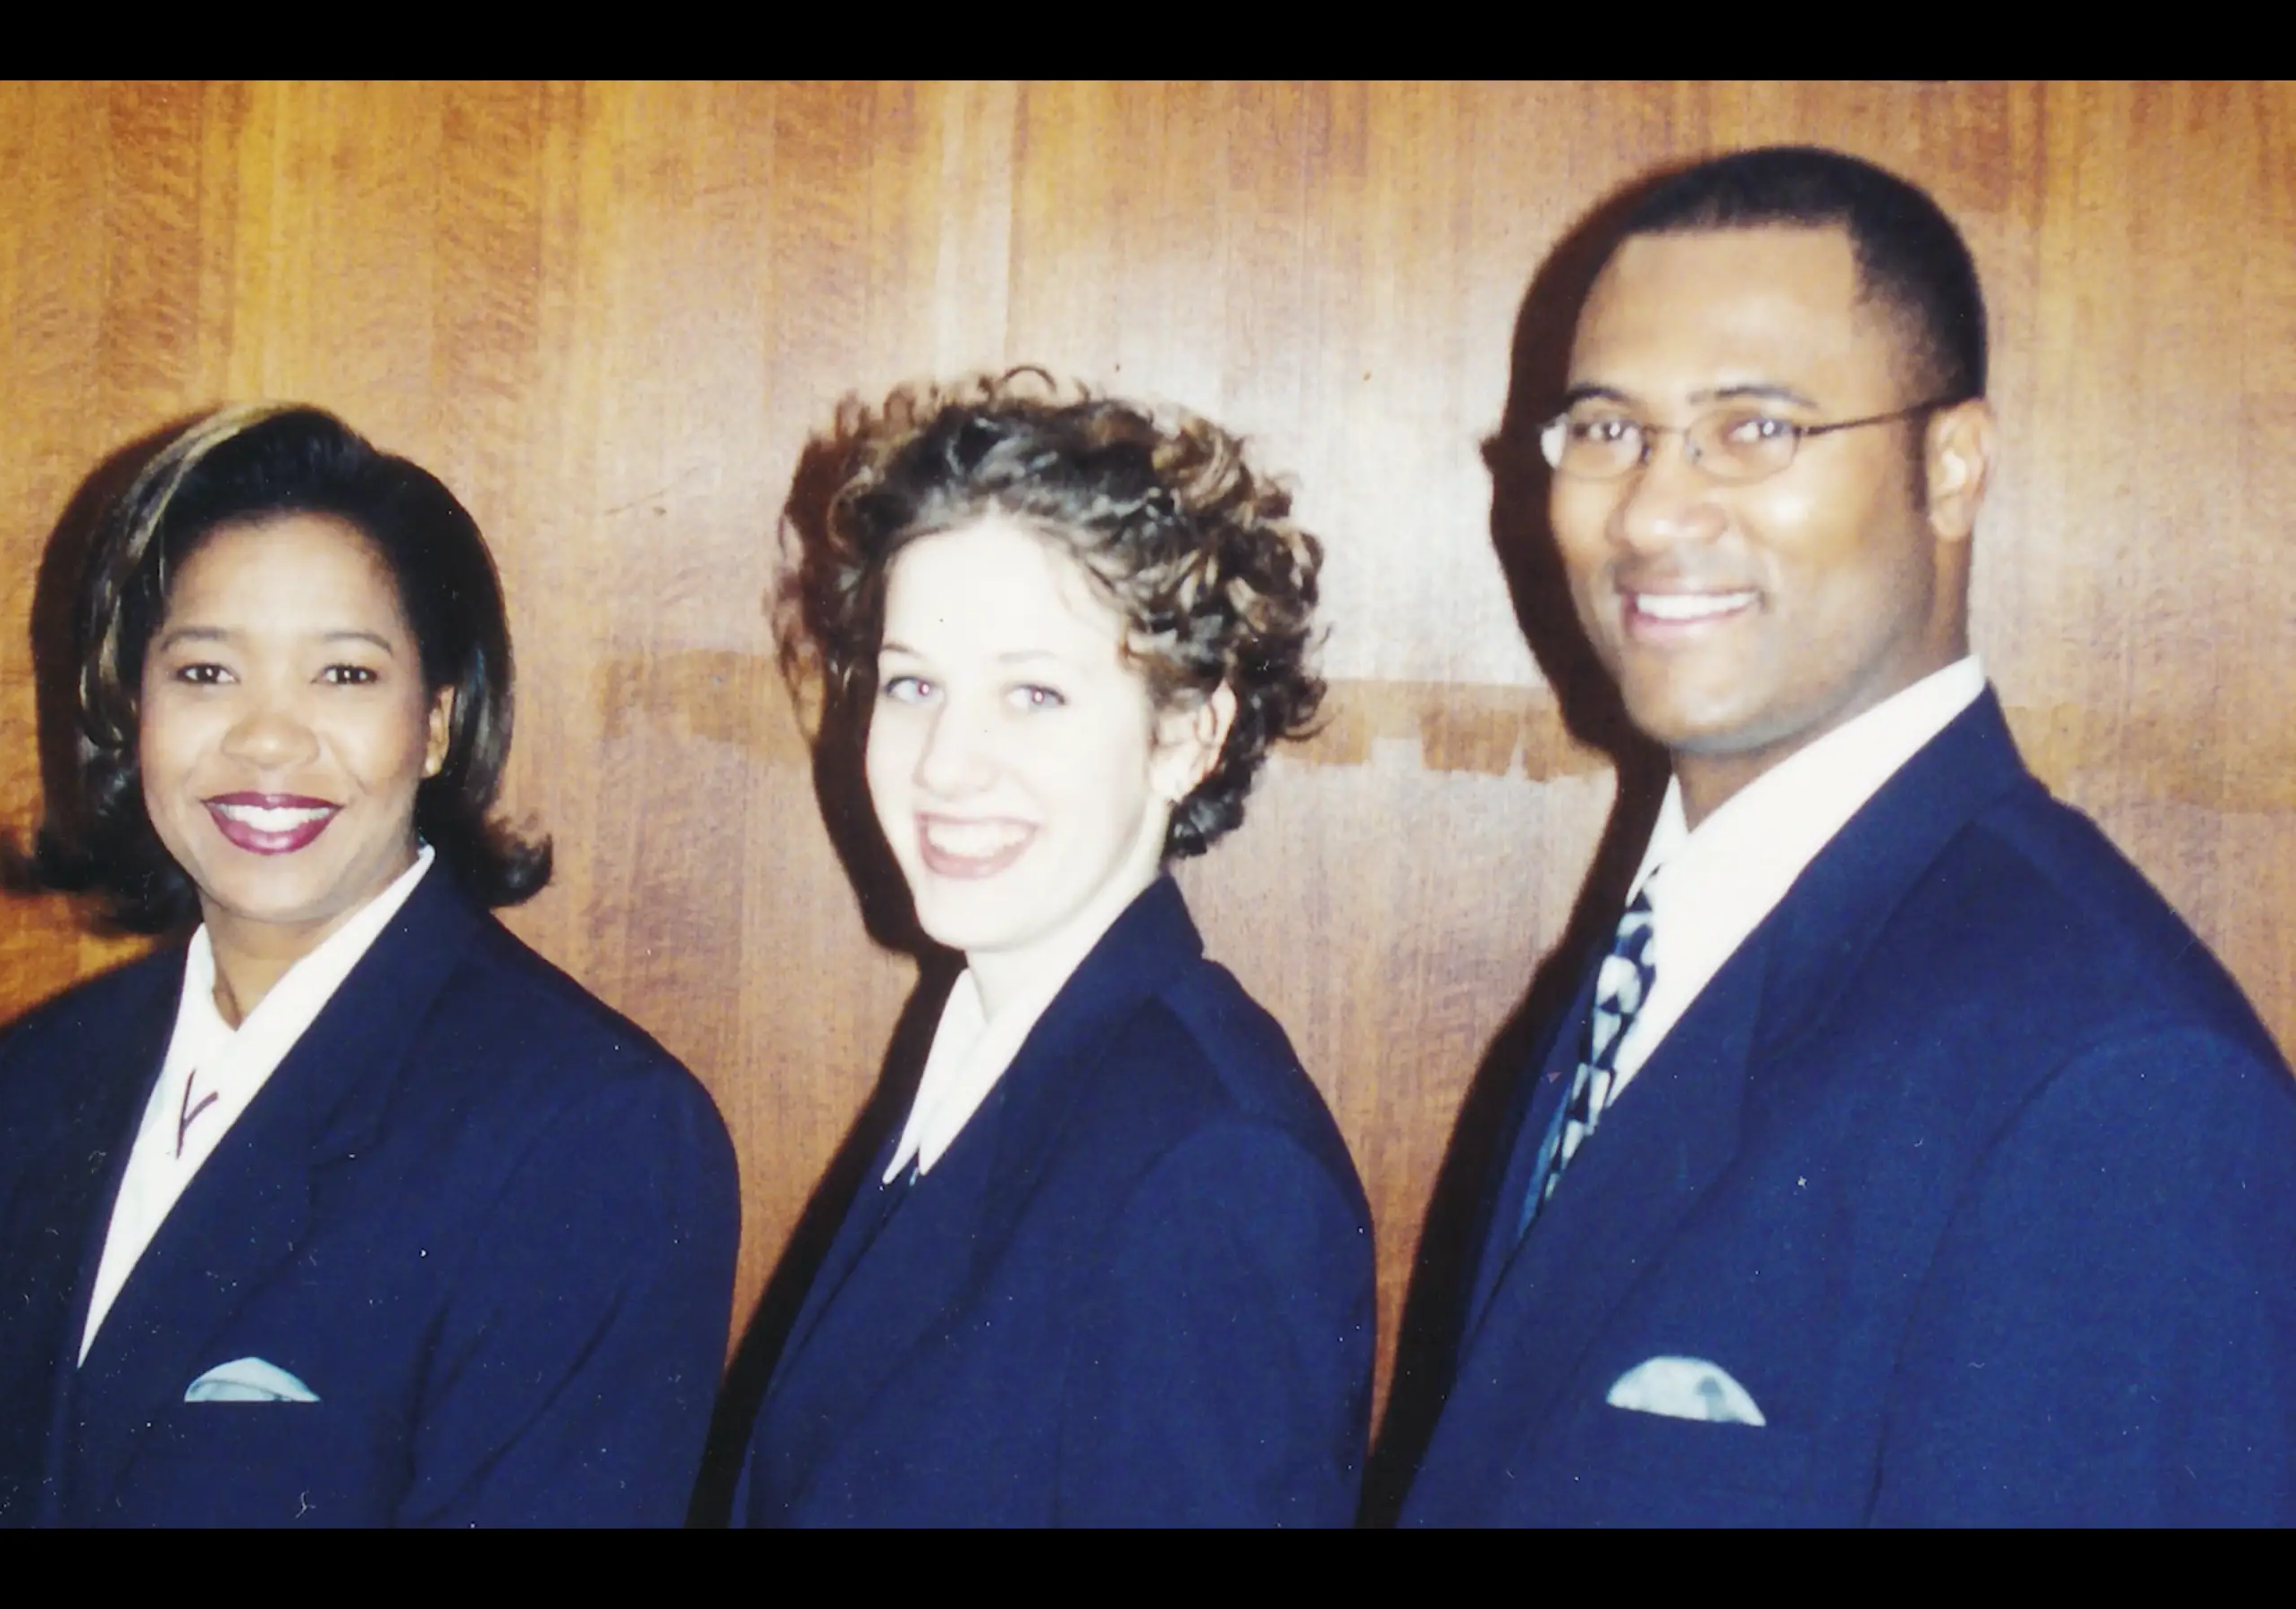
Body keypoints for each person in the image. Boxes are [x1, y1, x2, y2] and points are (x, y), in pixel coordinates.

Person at [1396, 147, 2296, 1527]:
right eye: (1607, 429)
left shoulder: (2115, 1076)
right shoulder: (1655, 953)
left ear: (1951, 467)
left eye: (1755, 430)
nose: (1651, 510)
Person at [0, 404, 739, 1527]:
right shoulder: (32, 1083)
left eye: (344, 677)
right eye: (208, 672)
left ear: (436, 722)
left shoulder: (595, 1132)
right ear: (135, 704)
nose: (267, 740)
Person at [736, 371, 1375, 1526]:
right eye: (913, 685)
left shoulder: (1214, 1166)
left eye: (1032, 694)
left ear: (1187, 734)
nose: (945, 764)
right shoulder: (984, 1046)